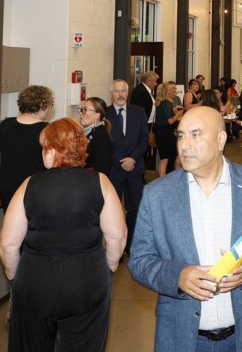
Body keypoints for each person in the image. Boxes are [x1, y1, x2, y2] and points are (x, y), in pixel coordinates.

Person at [128, 106, 242, 352]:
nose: (184, 144)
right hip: (182, 337)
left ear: (220, 140)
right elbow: (139, 260)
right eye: (181, 135)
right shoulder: (157, 195)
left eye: (195, 134)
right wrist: (177, 276)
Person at [0, 118, 127, 352]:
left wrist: (14, 278)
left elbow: (8, 244)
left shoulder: (29, 185)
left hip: (35, 284)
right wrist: (108, 269)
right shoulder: (101, 183)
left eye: (43, 148)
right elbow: (117, 237)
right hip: (86, 283)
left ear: (52, 150)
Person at [0, 85, 53, 210]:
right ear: (42, 107)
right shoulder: (48, 130)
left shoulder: (5, 126)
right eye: (49, 106)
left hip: (9, 191)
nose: (49, 110)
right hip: (37, 192)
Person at [105, 79, 150, 253]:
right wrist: (120, 161)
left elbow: (144, 139)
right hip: (114, 170)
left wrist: (133, 159)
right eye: (117, 91)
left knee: (135, 208)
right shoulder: (104, 114)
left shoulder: (138, 112)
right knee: (113, 210)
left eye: (123, 91)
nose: (120, 94)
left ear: (128, 93)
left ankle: (130, 245)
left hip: (135, 168)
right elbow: (106, 143)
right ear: (111, 94)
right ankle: (115, 247)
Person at [154, 81, 185, 177]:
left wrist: (175, 111)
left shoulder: (168, 103)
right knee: (165, 159)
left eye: (175, 88)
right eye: (171, 89)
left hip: (168, 133)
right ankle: (163, 182)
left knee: (174, 158)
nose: (174, 91)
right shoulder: (165, 103)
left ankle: (173, 179)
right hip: (164, 134)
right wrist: (178, 114)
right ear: (165, 91)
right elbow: (170, 121)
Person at [79, 96, 114, 175]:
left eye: (85, 110)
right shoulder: (86, 132)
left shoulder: (101, 136)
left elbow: (102, 170)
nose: (81, 113)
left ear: (97, 115)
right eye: (81, 109)